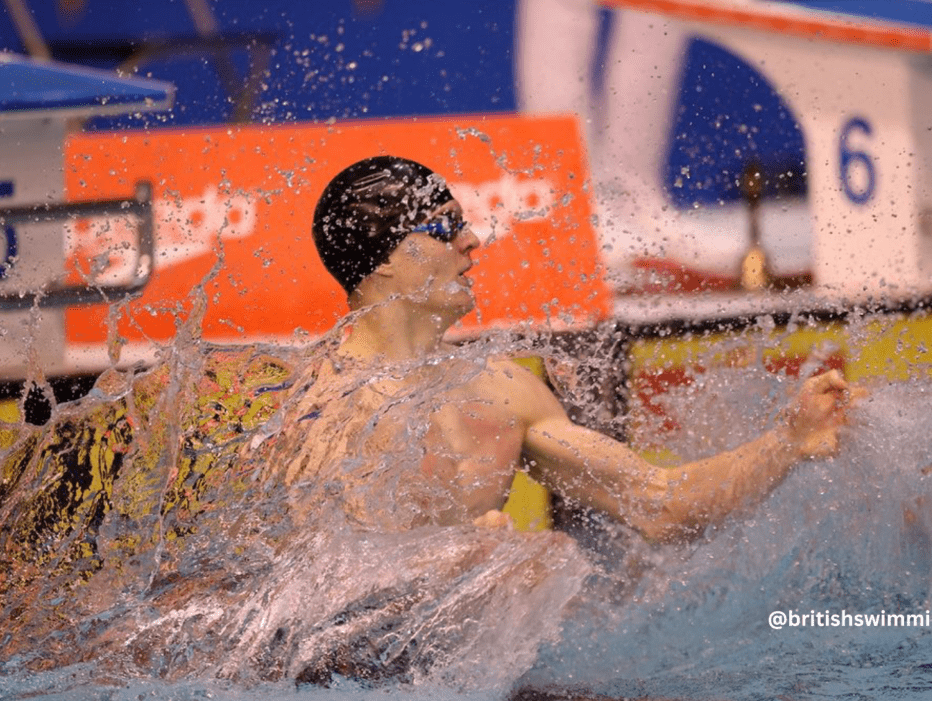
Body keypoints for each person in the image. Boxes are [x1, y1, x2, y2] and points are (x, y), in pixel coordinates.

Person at [285, 154, 854, 542]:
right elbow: (314, 591)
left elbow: (659, 504)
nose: (472, 240)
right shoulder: (327, 407)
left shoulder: (503, 392)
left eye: (464, 223)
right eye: (443, 228)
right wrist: (444, 569)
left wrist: (789, 440)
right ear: (383, 261)